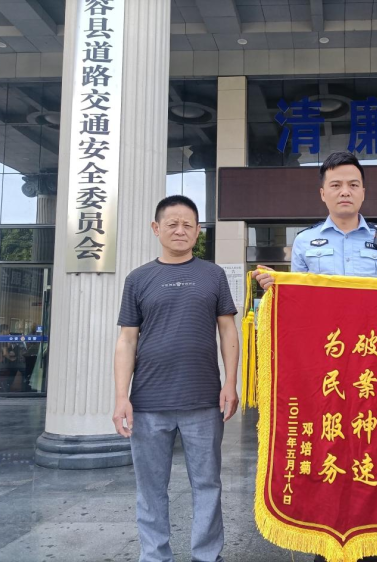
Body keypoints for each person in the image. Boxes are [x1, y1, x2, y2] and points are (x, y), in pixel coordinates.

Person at [253, 151, 377, 562]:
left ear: (363, 191)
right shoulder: (305, 241)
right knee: (325, 449)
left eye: (352, 184)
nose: (344, 191)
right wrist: (275, 288)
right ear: (323, 193)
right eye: (336, 185)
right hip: (324, 371)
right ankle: (325, 543)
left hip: (369, 370)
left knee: (368, 449)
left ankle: (370, 543)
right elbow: (297, 306)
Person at [113, 195, 240, 562]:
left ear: (198, 231)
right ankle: (155, 556)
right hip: (148, 403)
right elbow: (127, 340)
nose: (180, 230)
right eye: (172, 224)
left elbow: (228, 332)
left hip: (203, 401)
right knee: (150, 488)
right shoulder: (138, 279)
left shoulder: (213, 275)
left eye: (188, 225)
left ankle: (206, 556)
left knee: (207, 484)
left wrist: (230, 383)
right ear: (156, 229)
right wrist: (121, 396)